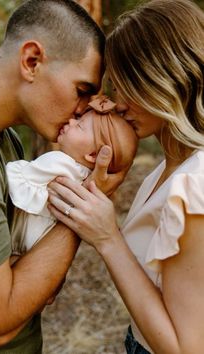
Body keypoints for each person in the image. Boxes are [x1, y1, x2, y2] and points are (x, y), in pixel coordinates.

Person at [0, 0, 127, 352]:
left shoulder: (2, 137)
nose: (84, 109)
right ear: (32, 61)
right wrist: (83, 204)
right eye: (82, 90)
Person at [47, 0, 204, 353]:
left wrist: (108, 239)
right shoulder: (167, 170)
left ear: (162, 80)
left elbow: (185, 348)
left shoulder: (195, 185)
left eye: (125, 87)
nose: (117, 104)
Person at [6, 96, 137, 258]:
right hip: (37, 246)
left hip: (18, 234)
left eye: (80, 126)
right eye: (78, 120)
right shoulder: (85, 177)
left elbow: (13, 178)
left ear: (92, 155)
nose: (71, 122)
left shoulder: (59, 162)